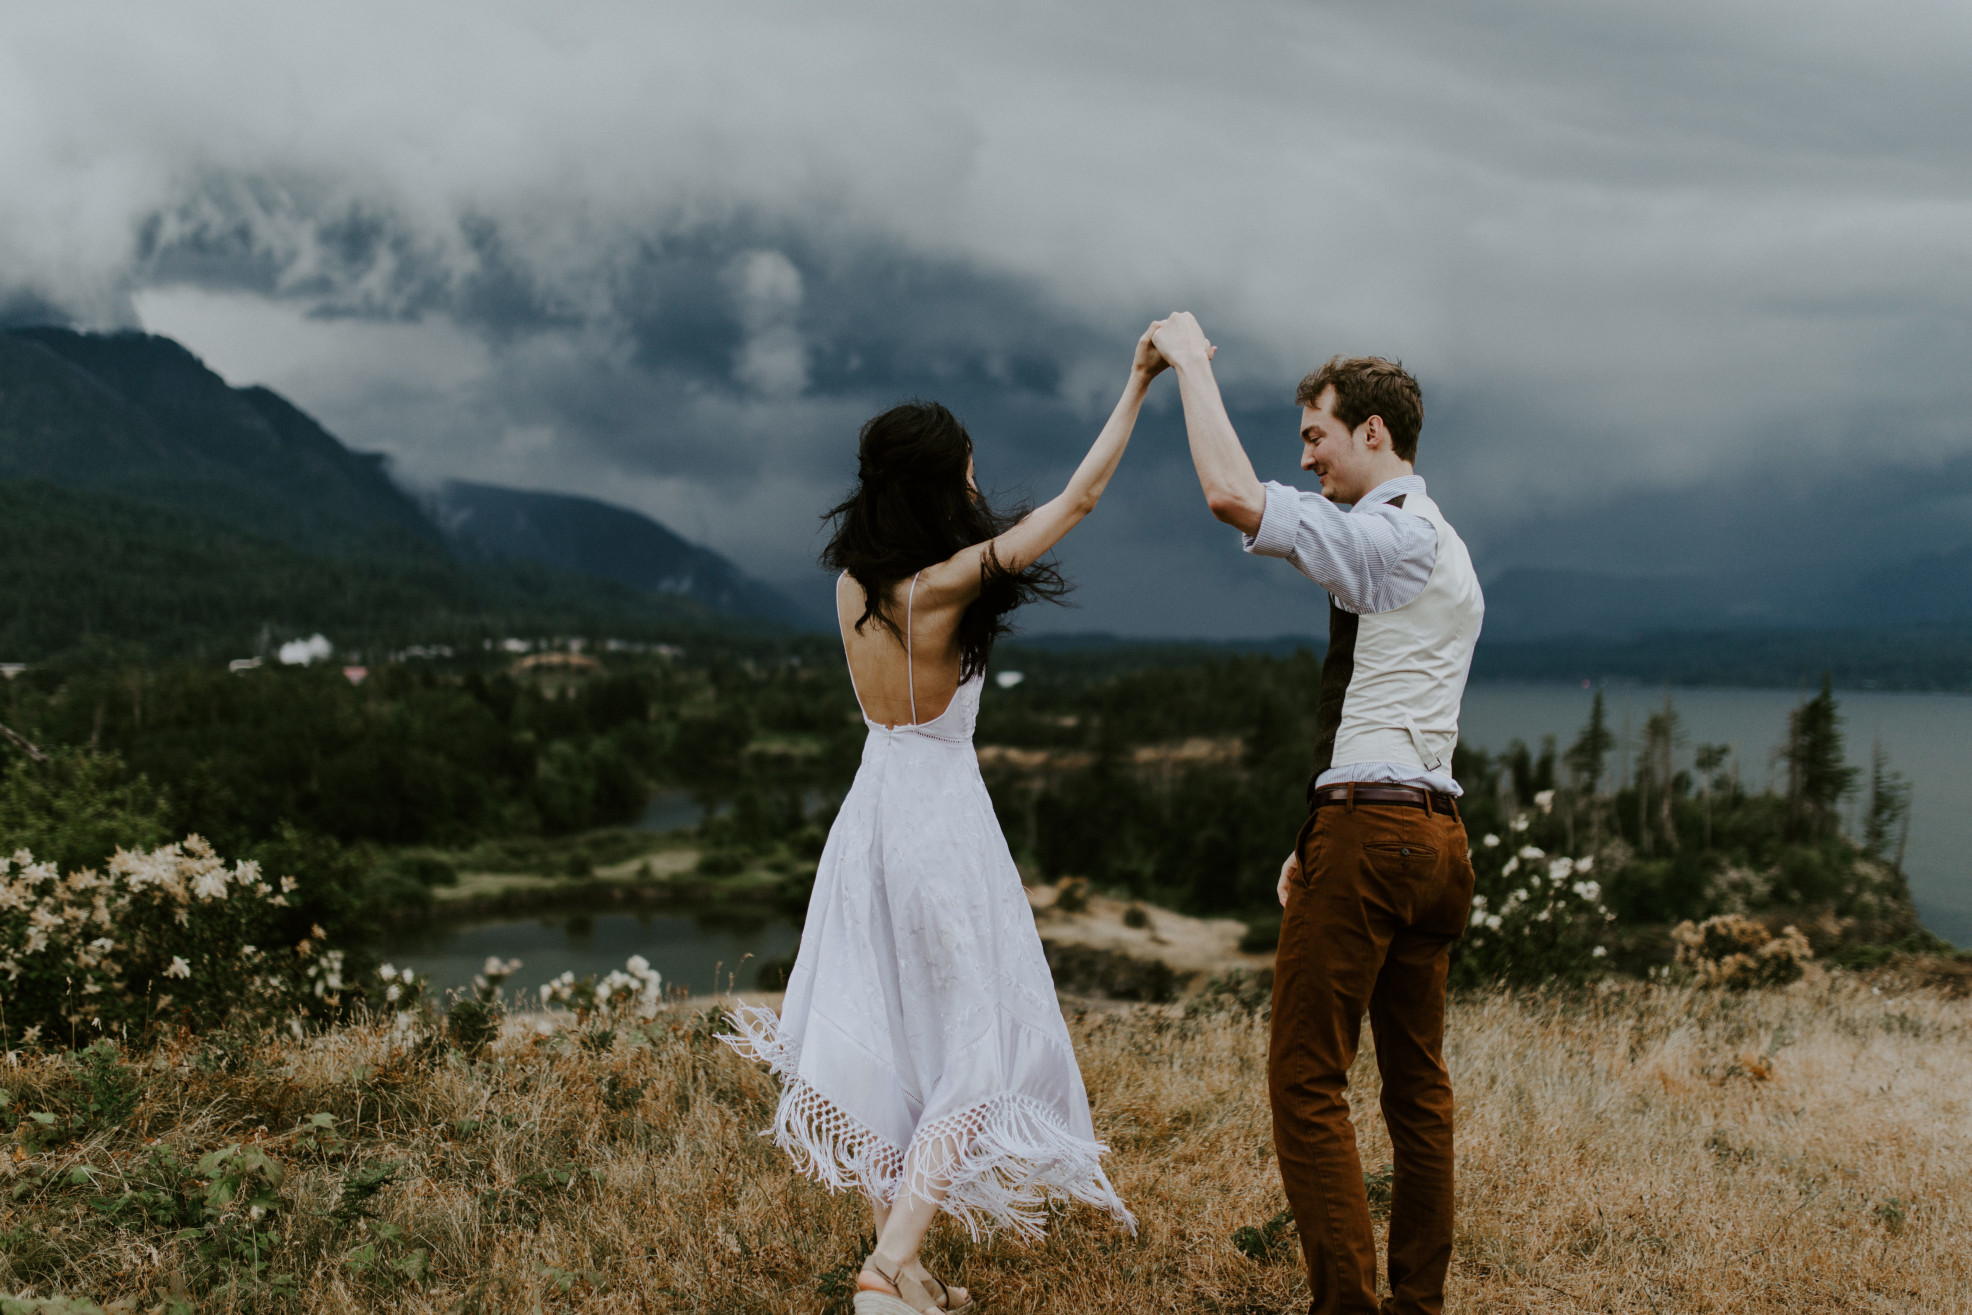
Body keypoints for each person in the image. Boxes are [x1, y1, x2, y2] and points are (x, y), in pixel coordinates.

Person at [721, 326, 1177, 1314]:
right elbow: (1082, 498)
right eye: (966, 467)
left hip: (869, 807)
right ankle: (889, 1261)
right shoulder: (944, 583)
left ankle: (912, 1267)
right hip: (933, 816)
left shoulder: (852, 582)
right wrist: (1139, 381)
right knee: (972, 1044)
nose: (978, 481)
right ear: (944, 480)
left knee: (904, 1023)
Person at [1151, 313, 1482, 1315]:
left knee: (1305, 1081)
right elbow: (1372, 703)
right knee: (1416, 1092)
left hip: (1375, 833)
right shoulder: (1445, 546)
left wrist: (1187, 368)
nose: (1307, 455)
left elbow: (1229, 496)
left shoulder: (1389, 536)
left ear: (1373, 434)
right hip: (1434, 840)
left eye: (1316, 435)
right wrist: (1312, 839)